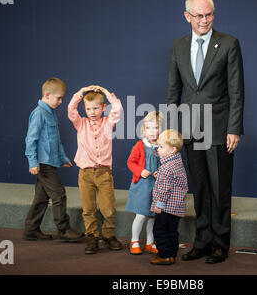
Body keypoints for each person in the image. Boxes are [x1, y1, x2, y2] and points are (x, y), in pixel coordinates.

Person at [166, 0, 245, 264]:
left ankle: (220, 245)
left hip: (220, 128)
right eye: (199, 16)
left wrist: (234, 128)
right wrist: (168, 129)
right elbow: (173, 91)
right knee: (199, 189)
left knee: (220, 188)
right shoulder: (178, 46)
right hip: (190, 127)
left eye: (209, 15)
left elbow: (236, 90)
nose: (204, 20)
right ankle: (202, 242)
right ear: (187, 16)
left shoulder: (229, 43)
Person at [24, 77, 84, 242]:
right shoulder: (38, 114)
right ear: (48, 95)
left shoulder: (51, 113)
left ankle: (31, 230)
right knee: (59, 194)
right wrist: (33, 162)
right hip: (43, 164)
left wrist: (63, 158)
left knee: (41, 198)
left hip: (51, 162)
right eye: (58, 98)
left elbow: (55, 141)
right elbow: (31, 140)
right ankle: (64, 230)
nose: (60, 101)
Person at [68, 84, 123, 254]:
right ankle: (92, 236)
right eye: (89, 108)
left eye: (96, 108)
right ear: (84, 108)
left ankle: (108, 235)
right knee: (89, 208)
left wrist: (106, 93)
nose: (92, 112)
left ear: (103, 108)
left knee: (108, 208)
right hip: (85, 174)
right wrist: (82, 92)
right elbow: (71, 108)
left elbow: (118, 108)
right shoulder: (81, 123)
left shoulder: (108, 123)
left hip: (104, 173)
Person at [125, 111, 164, 255]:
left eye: (156, 128)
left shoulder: (162, 146)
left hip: (157, 186)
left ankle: (150, 242)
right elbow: (131, 162)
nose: (152, 132)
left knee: (153, 216)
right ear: (144, 130)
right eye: (149, 128)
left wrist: (161, 172)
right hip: (142, 185)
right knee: (141, 215)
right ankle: (134, 240)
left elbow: (165, 163)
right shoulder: (140, 145)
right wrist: (140, 171)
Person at [150, 129, 188, 265]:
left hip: (166, 207)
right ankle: (171, 255)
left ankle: (165, 255)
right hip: (177, 207)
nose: (157, 149)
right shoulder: (178, 162)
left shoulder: (166, 167)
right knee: (172, 231)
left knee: (160, 230)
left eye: (161, 147)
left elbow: (164, 189)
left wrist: (159, 205)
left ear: (172, 149)